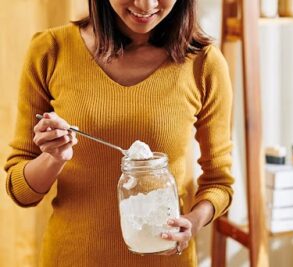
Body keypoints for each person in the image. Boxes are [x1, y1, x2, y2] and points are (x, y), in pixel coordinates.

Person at [4, 0, 234, 266]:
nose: (145, 4)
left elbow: (219, 183)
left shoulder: (205, 63)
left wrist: (192, 223)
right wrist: (53, 158)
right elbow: (21, 193)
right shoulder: (50, 50)